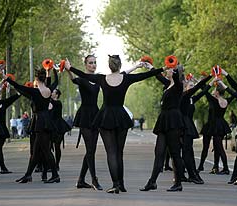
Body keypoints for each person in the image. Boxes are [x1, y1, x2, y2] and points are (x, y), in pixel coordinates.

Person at [65, 55, 165, 193]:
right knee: (119, 152)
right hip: (121, 116)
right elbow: (146, 75)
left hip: (106, 117)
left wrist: (70, 68)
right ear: (120, 65)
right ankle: (121, 184)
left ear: (109, 66)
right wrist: (163, 68)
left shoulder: (101, 78)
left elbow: (82, 75)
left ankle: (116, 184)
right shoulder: (126, 78)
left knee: (111, 153)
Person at [6, 68, 60, 184]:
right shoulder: (49, 90)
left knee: (45, 150)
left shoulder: (35, 92)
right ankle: (28, 175)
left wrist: (7, 79)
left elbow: (19, 86)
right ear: (44, 78)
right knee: (36, 152)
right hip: (45, 121)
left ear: (36, 79)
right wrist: (53, 71)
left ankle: (55, 175)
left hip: (39, 121)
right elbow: (56, 82)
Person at [140, 66, 185, 192]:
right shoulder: (167, 84)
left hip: (173, 120)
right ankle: (152, 182)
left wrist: (175, 68)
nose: (167, 71)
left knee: (175, 153)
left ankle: (178, 183)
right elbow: (158, 76)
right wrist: (151, 67)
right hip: (164, 119)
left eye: (170, 70)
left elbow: (176, 78)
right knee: (159, 152)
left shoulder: (178, 85)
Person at [67, 54, 102, 190]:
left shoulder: (98, 79)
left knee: (91, 150)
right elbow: (73, 79)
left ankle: (81, 180)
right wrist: (68, 69)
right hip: (85, 116)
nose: (93, 65)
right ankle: (94, 179)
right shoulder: (82, 79)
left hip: (96, 115)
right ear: (86, 65)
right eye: (90, 63)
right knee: (90, 150)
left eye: (94, 62)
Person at [179, 73, 212, 184]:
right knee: (186, 152)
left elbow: (203, 92)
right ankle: (190, 174)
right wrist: (209, 76)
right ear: (186, 86)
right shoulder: (183, 96)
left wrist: (211, 83)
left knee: (188, 151)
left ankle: (190, 174)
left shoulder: (192, 99)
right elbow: (198, 87)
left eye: (193, 85)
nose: (193, 86)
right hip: (183, 126)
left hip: (188, 126)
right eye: (191, 85)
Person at [50, 88, 71, 171]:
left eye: (53, 92)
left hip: (58, 126)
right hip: (51, 125)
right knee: (49, 146)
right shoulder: (50, 102)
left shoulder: (57, 103)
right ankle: (50, 164)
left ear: (57, 95)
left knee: (57, 146)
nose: (51, 93)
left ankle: (57, 164)